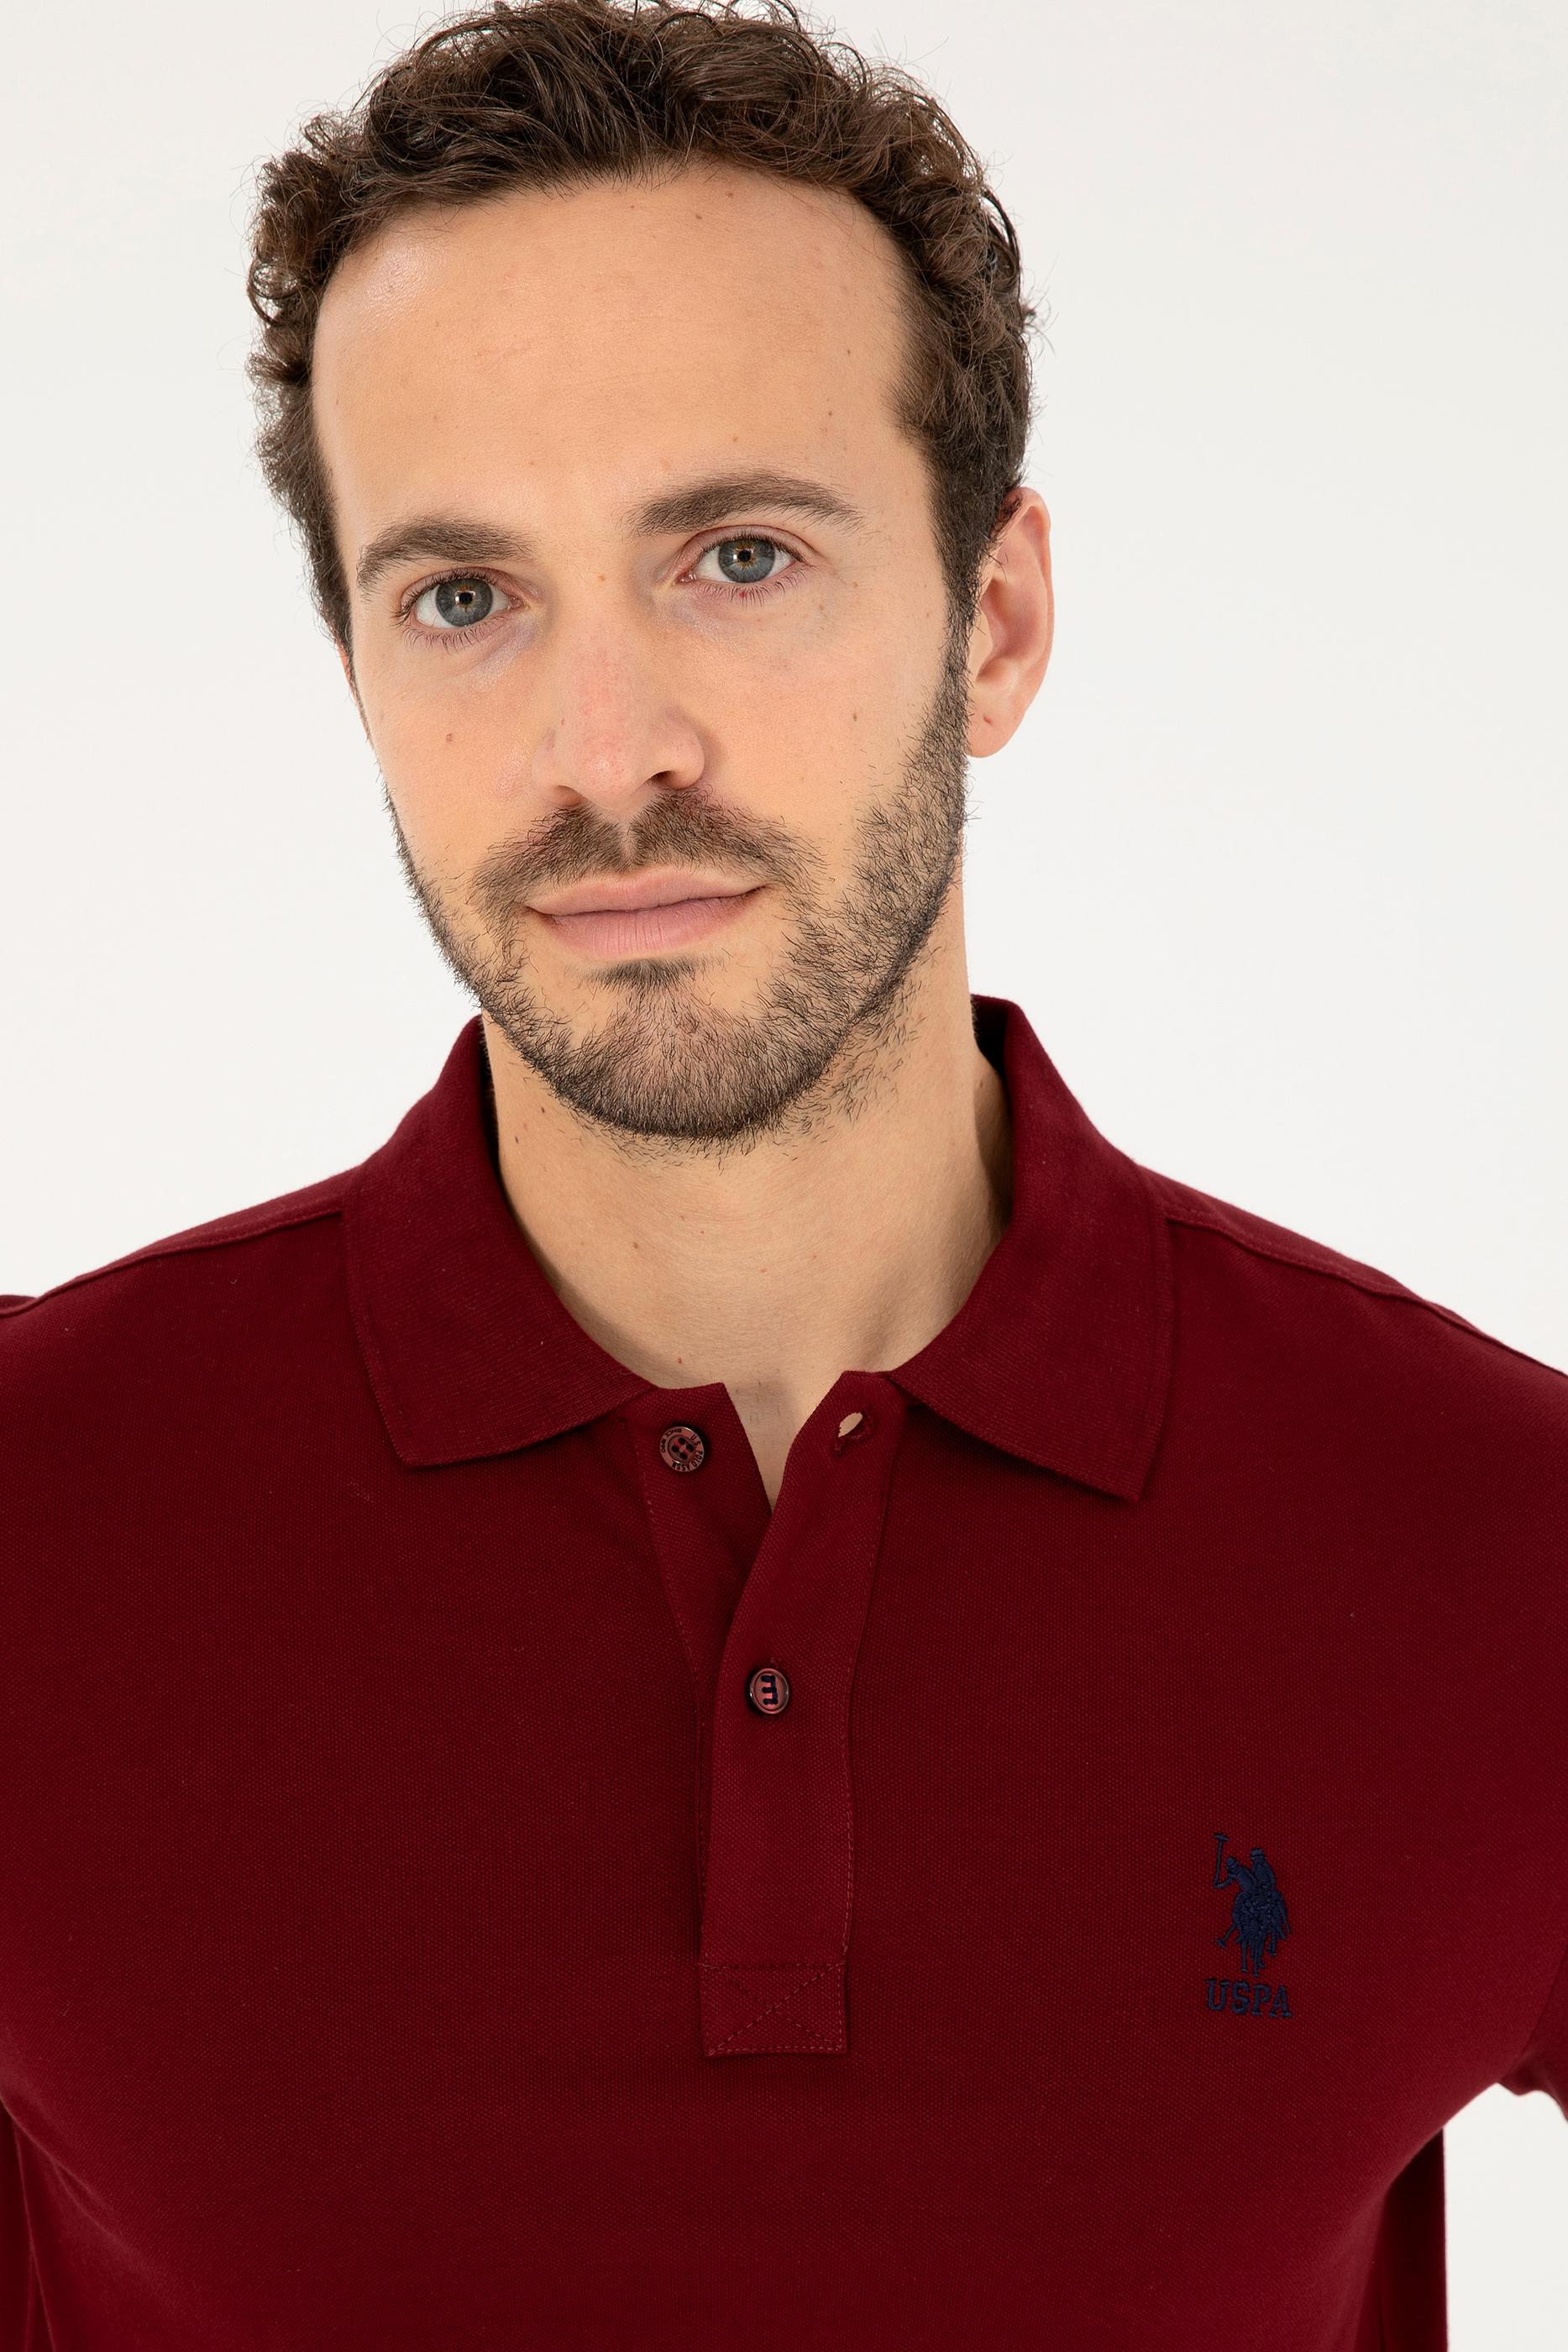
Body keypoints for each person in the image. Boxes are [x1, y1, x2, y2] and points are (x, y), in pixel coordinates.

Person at [2, 3, 1564, 2345]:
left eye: (736, 556)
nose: (603, 752)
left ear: (992, 626)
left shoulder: (1493, 1540)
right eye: (462, 597)